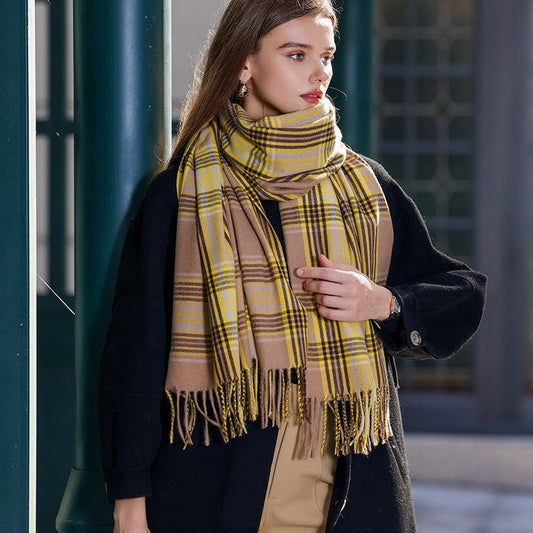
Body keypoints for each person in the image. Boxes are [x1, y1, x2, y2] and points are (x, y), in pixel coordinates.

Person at [98, 1, 486, 532]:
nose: (319, 73)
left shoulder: (364, 186)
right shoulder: (183, 193)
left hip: (351, 496)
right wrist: (129, 503)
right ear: (244, 63)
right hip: (216, 495)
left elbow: (463, 293)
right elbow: (136, 353)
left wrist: (383, 302)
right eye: (296, 54)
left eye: (325, 56)